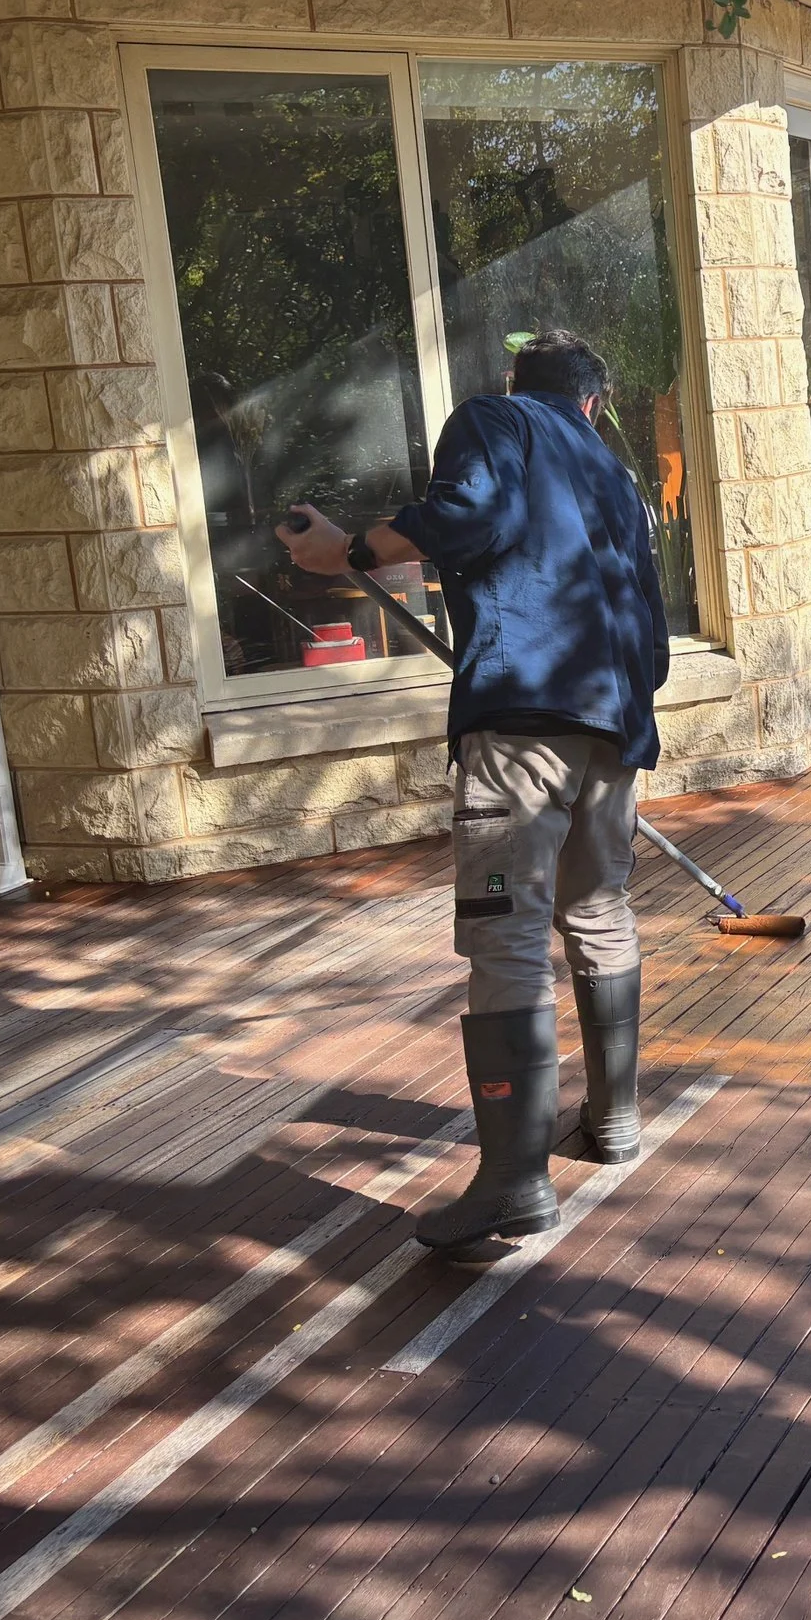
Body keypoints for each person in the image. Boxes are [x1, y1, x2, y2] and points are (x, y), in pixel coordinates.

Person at [277, 330, 671, 1250]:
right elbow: (649, 637)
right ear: (596, 403)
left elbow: (465, 514)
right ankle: (613, 1122)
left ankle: (512, 1184)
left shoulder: (496, 419)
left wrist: (349, 551)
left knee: (508, 936)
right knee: (600, 910)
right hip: (612, 731)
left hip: (522, 729)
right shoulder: (618, 480)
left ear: (517, 385)